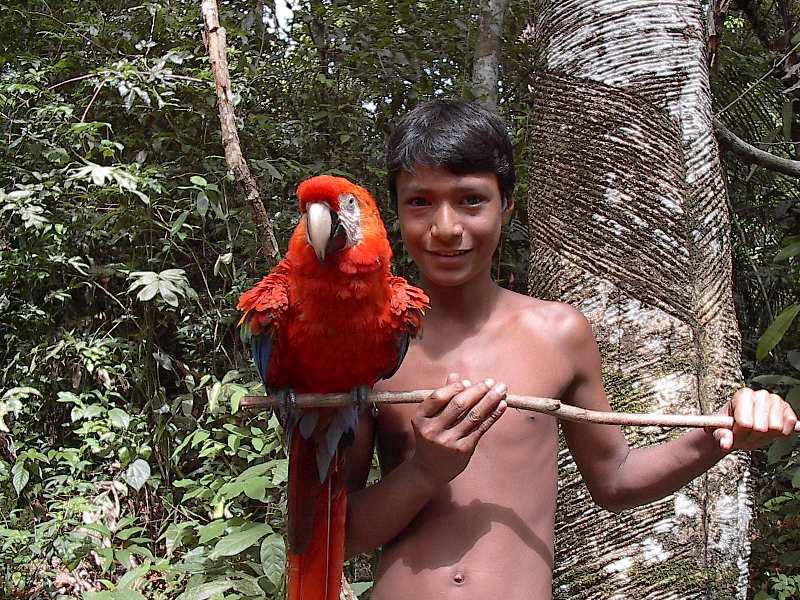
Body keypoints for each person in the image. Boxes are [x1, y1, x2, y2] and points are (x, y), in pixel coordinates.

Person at [343, 99, 797, 600]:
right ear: (395, 212)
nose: (447, 227)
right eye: (420, 202)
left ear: (506, 205)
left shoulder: (557, 333)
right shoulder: (366, 343)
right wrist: (424, 472)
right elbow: (337, 534)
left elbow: (616, 479)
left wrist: (722, 434)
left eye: (471, 200)